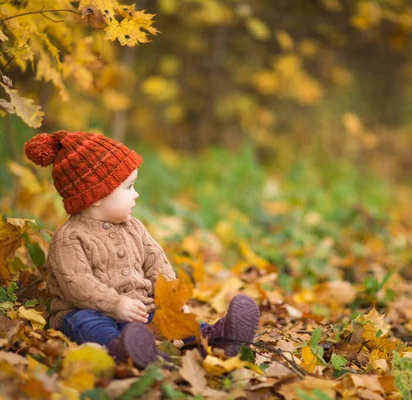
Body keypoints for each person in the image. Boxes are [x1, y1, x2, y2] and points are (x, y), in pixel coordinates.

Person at [24, 130, 260, 368]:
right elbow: (76, 284)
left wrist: (171, 301)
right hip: (90, 312)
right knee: (86, 323)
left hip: (139, 312)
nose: (136, 195)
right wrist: (116, 305)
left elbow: (157, 263)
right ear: (95, 195)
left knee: (170, 322)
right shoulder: (69, 238)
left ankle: (217, 337)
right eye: (129, 187)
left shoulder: (134, 227)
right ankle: (122, 350)